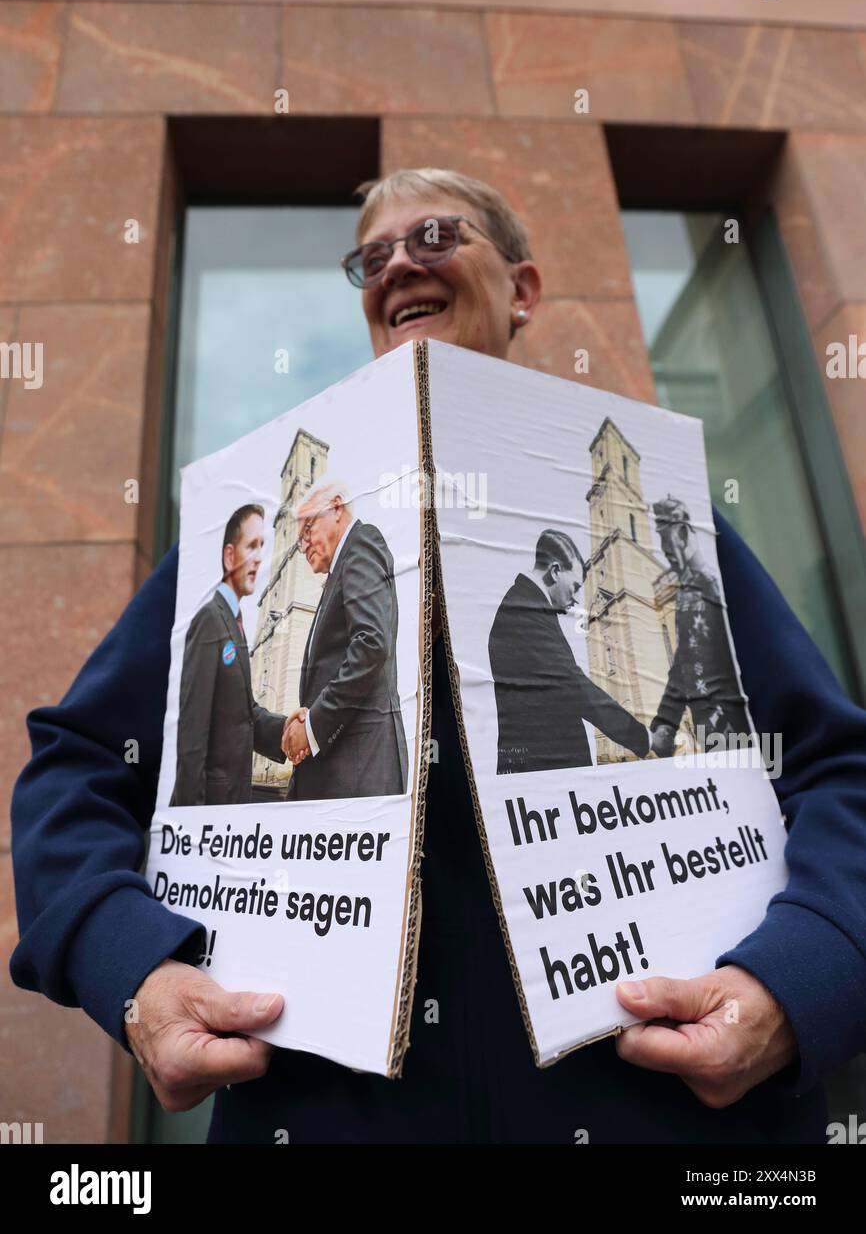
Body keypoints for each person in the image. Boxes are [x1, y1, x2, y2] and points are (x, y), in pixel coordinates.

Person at [10, 168, 866, 1141]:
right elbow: (74, 771)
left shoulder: (674, 531)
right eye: (370, 258)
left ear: (523, 291)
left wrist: (799, 978)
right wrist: (132, 971)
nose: (395, 268)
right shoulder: (258, 537)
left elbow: (837, 772)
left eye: (433, 236)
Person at [489, 528, 656, 772]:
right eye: (575, 586)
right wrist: (644, 738)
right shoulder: (523, 611)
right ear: (555, 571)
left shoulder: (530, 605)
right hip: (541, 773)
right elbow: (574, 688)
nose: (576, 599)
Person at [281, 478, 408, 799]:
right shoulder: (340, 569)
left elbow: (370, 645)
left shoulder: (361, 546)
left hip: (359, 767)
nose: (305, 545)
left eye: (307, 530)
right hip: (344, 768)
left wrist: (312, 728)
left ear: (336, 507)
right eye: (299, 541)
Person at [170, 504, 289, 806]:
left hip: (230, 808)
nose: (259, 557)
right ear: (229, 555)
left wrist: (289, 730)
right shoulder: (211, 620)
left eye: (262, 546)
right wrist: (191, 822)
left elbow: (244, 714)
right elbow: (192, 735)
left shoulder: (234, 622)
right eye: (251, 546)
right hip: (208, 812)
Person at [650, 495, 751, 759]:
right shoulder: (689, 589)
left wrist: (666, 722)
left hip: (731, 727)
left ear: (683, 533)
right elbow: (686, 659)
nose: (667, 553)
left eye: (667, 542)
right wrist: (666, 721)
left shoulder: (710, 585)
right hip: (712, 729)